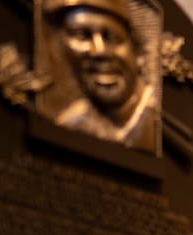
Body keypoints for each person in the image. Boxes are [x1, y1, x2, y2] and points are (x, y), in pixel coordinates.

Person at [43, 0, 160, 152]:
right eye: (82, 36)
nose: (99, 51)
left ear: (138, 52)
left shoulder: (158, 124)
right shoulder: (70, 123)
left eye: (111, 37)